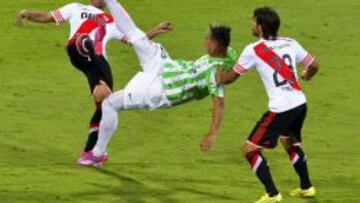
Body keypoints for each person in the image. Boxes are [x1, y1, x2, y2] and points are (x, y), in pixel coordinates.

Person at [77, 0, 238, 167]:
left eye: (207, 39)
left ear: (214, 44)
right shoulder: (229, 53)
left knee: (110, 103)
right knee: (136, 36)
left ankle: (97, 154)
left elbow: (219, 103)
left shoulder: (214, 75)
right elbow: (240, 67)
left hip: (161, 90)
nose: (204, 42)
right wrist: (231, 77)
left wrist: (213, 133)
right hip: (164, 65)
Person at [213, 7, 319, 203]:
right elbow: (313, 65)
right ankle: (307, 187)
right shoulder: (290, 42)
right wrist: (306, 75)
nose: (251, 24)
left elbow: (231, 78)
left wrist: (220, 77)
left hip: (281, 109)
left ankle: (272, 194)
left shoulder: (253, 50)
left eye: (253, 21)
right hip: (299, 104)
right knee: (289, 141)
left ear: (260, 26)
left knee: (250, 149)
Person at [16, 0, 144, 162]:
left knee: (105, 104)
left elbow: (134, 40)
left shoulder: (111, 20)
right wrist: (28, 13)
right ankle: (95, 152)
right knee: (85, 42)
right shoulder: (76, 7)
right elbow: (49, 16)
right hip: (84, 51)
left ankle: (90, 153)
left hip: (94, 62)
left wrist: (155, 31)